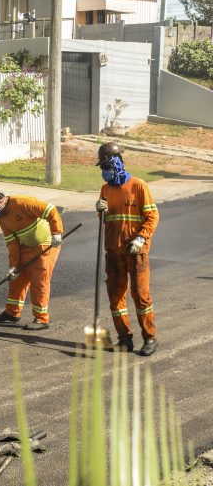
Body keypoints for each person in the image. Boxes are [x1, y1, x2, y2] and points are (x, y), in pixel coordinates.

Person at [95, 142, 159, 356]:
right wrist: (99, 210)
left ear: (117, 163)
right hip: (113, 251)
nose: (105, 172)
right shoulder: (105, 189)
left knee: (140, 296)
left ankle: (149, 338)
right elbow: (106, 220)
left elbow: (152, 216)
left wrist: (141, 238)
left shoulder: (138, 186)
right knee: (115, 297)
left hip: (136, 251)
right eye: (102, 168)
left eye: (107, 167)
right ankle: (124, 339)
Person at [0, 186, 63, 330]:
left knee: (39, 280)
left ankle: (41, 319)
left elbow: (50, 210)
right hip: (26, 247)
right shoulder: (2, 219)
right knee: (17, 279)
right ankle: (12, 313)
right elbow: (12, 243)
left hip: (46, 245)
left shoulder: (21, 202)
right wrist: (13, 266)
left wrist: (56, 232)